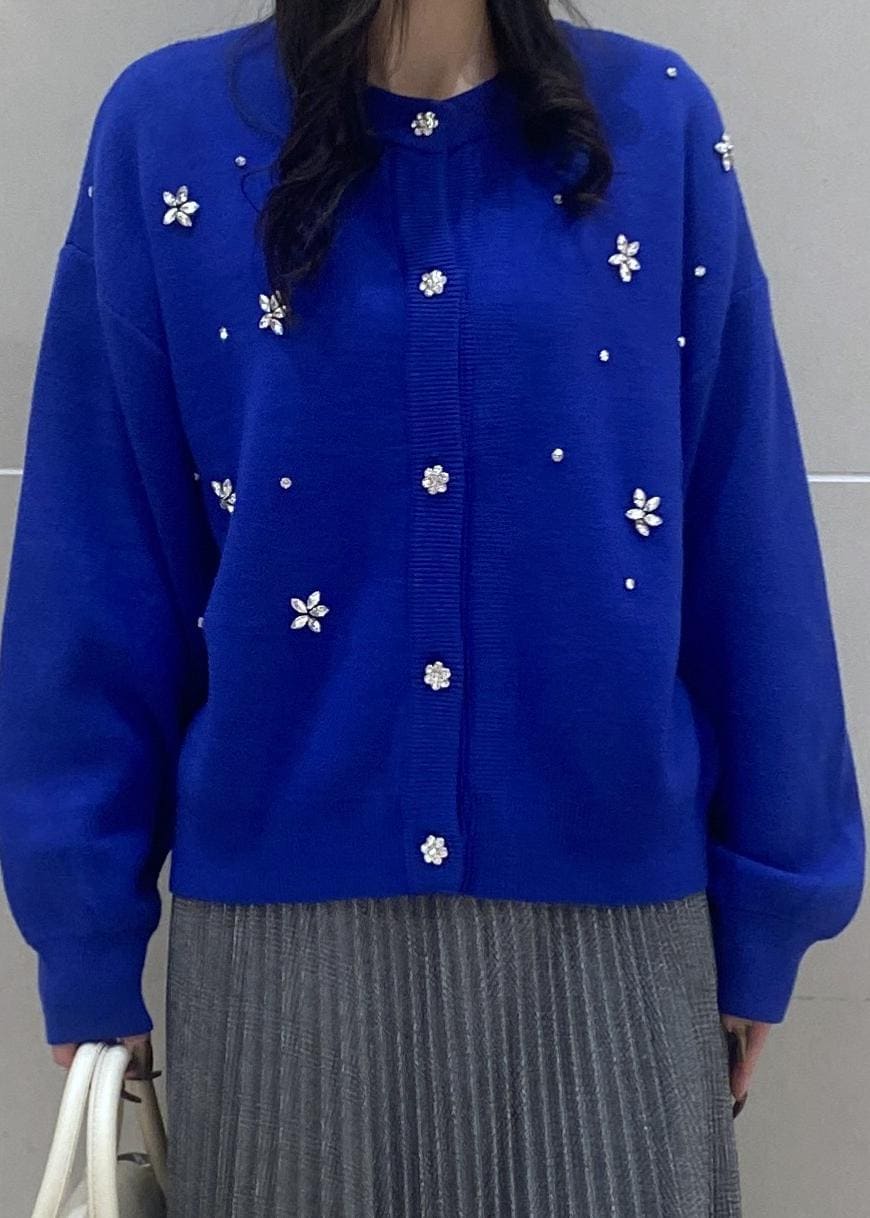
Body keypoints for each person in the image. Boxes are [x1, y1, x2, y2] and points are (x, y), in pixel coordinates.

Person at [0, 1, 864, 1214]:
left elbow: (745, 527)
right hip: (285, 965)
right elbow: (100, 546)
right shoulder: (168, 130)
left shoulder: (652, 123)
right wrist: (85, 930)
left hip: (613, 937)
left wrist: (771, 899)